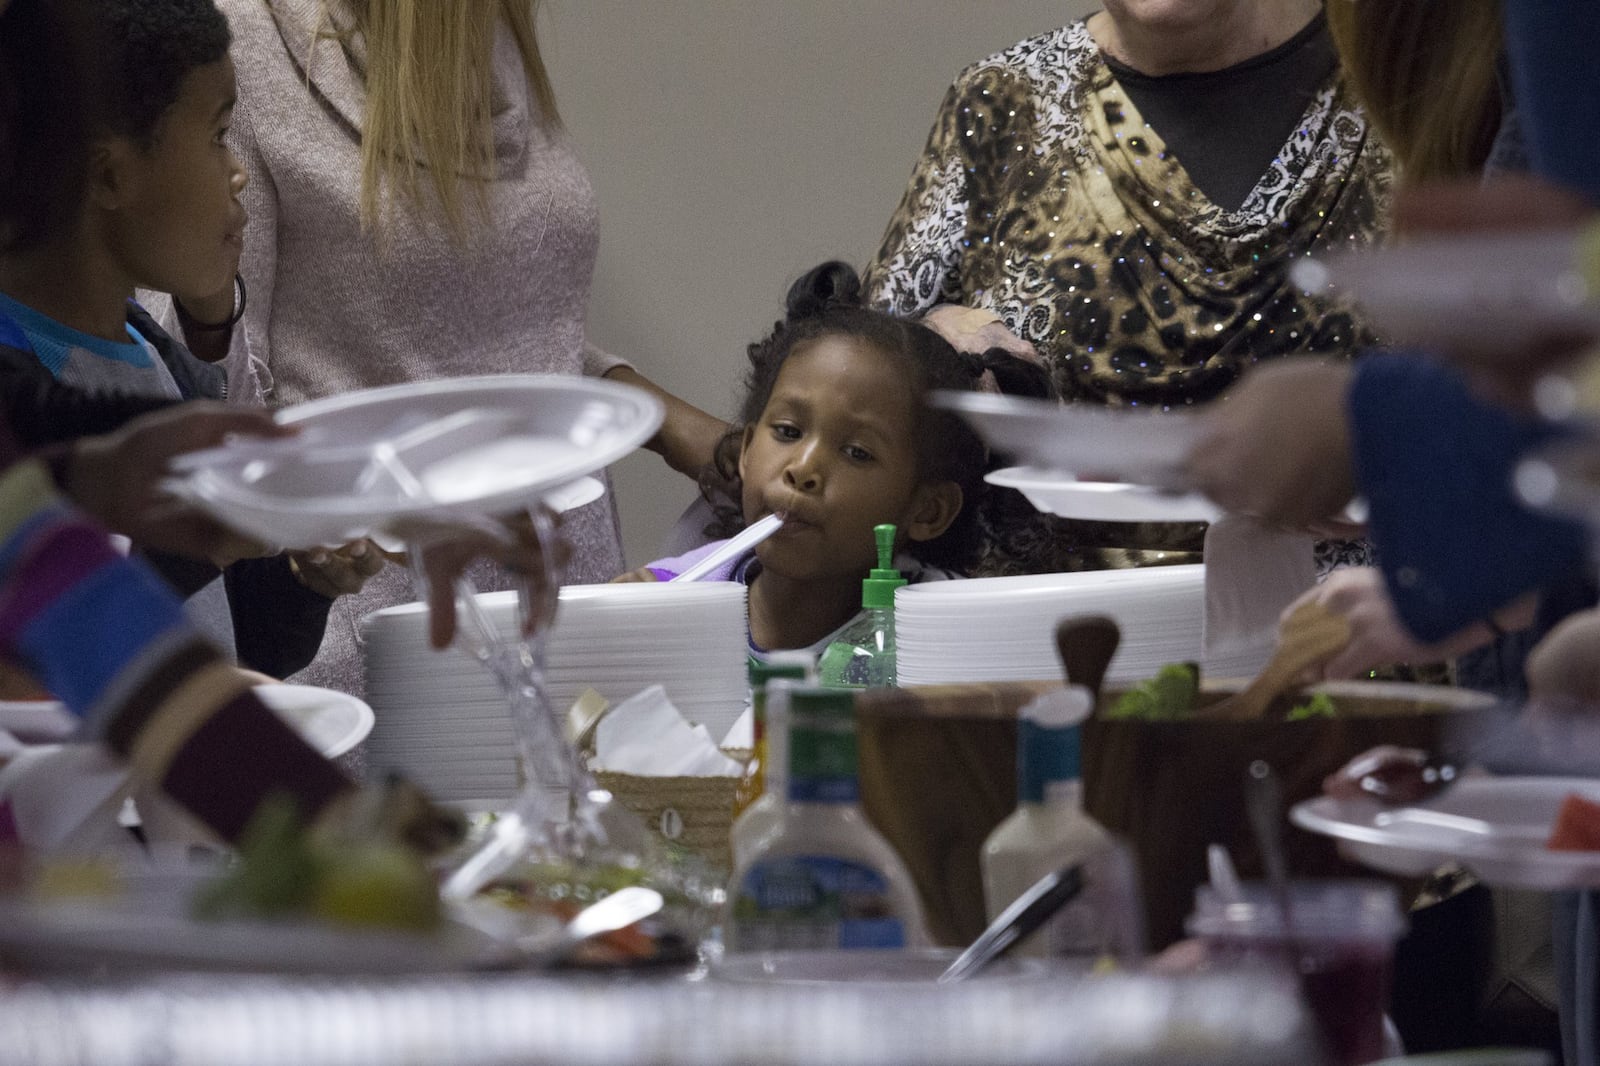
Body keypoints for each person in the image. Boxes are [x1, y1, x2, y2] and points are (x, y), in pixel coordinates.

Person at [196, 0, 729, 697]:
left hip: (570, 602)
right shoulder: (242, 44)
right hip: (391, 641)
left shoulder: (488, 27)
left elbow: (491, 325)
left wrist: (668, 422)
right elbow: (210, 380)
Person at [862, 0, 1390, 576]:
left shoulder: (1403, 83)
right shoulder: (1002, 104)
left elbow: (1499, 363)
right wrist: (938, 346)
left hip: (1377, 633)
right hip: (1055, 635)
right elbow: (861, 373)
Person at [0, 0, 384, 680]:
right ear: (110, 175)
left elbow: (233, 641)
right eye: (218, 135)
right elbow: (39, 642)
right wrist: (206, 534)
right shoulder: (22, 393)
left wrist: (299, 578)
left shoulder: (159, 364)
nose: (235, 171)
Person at [617, 262, 1051, 660]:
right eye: (788, 432)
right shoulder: (665, 595)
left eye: (856, 453)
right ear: (746, 451)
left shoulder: (946, 637)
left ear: (928, 510)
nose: (803, 469)